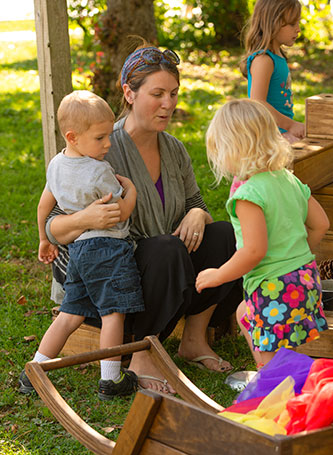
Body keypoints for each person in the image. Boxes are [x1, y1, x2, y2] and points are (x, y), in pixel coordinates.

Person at [42, 41, 243, 393]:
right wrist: (87, 217)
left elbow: (195, 202)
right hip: (111, 289)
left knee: (226, 234)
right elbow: (53, 226)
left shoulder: (174, 148)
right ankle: (141, 354)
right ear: (129, 93)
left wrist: (197, 213)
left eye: (174, 93)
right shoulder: (101, 146)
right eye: (158, 93)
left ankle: (193, 340)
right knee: (166, 249)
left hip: (167, 274)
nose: (168, 104)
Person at [19, 90, 144, 400]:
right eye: (100, 138)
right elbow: (122, 211)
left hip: (78, 252)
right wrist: (132, 189)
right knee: (113, 313)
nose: (108, 144)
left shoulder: (56, 165)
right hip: (109, 251)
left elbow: (43, 207)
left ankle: (34, 371)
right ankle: (111, 380)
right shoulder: (99, 171)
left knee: (70, 313)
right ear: (72, 136)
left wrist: (44, 238)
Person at [196, 98, 329, 368]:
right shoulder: (289, 179)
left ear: (236, 148)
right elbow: (321, 224)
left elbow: (254, 251)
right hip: (305, 278)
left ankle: (276, 397)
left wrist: (218, 275)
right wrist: (296, 256)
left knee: (271, 360)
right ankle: (279, 380)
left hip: (274, 287)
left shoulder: (248, 195)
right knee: (245, 313)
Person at [240, 0, 305, 143]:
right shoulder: (263, 60)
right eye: (292, 24)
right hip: (268, 137)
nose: (298, 29)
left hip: (280, 132)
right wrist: (291, 125)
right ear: (273, 23)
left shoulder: (277, 57)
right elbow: (258, 102)